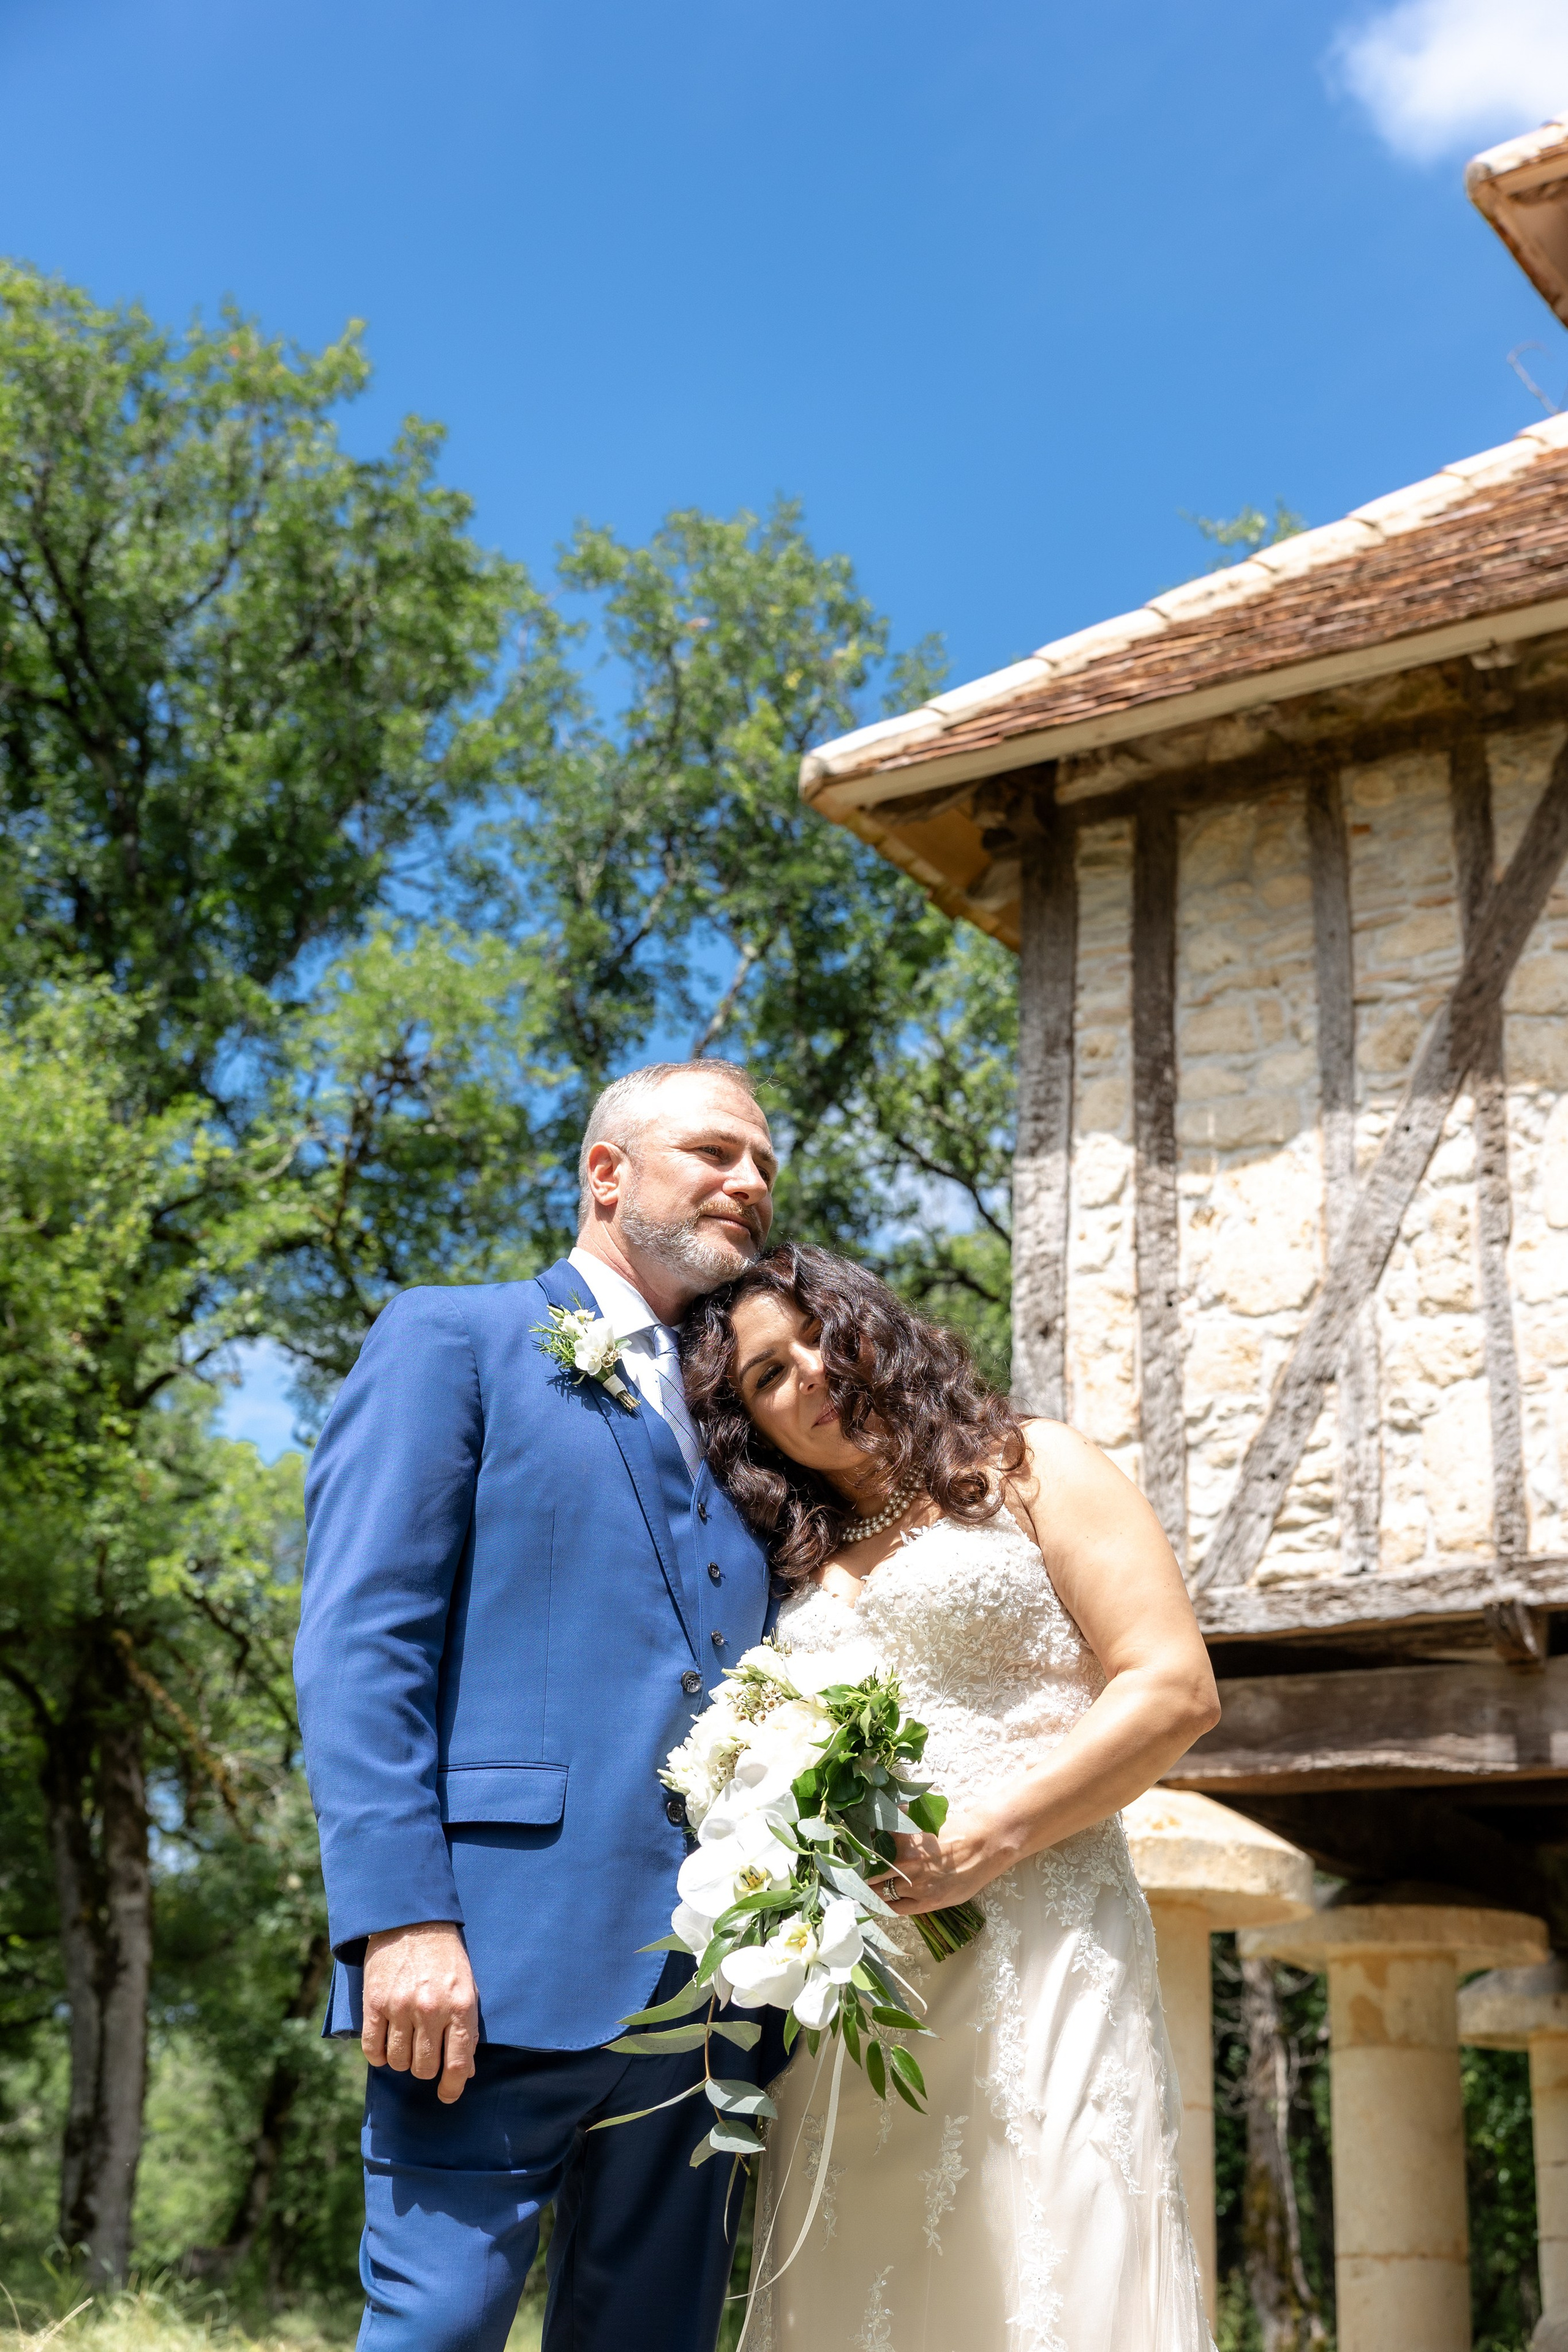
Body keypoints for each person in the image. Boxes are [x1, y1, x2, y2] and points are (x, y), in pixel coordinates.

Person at [294, 1060, 783, 2352]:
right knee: (438, 2329)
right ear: (607, 1173)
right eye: (715, 1151)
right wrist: (401, 1918)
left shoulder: (757, 1413)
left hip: (713, 1995)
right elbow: (361, 1645)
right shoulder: (449, 1339)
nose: (749, 1182)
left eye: (763, 1165)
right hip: (488, 1964)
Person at [680, 1242, 1223, 2352]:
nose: (810, 1373)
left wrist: (993, 1837)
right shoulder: (787, 1567)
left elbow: (1174, 1688)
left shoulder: (1032, 1466)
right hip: (859, 2000)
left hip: (1041, 1944)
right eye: (768, 1375)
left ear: (872, 1323)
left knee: (1056, 2257)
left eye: (818, 1334)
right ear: (755, 1429)